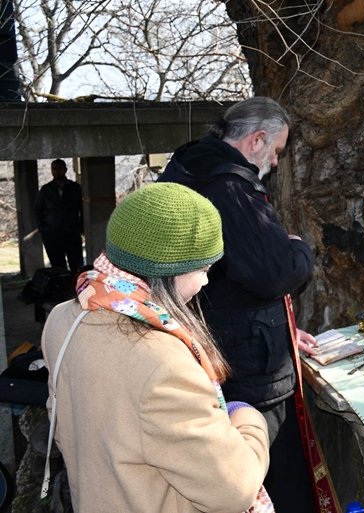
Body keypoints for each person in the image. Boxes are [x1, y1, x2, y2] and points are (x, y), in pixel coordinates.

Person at [41, 183, 270, 512]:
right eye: (204, 270)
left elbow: (64, 429)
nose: (206, 282)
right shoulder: (163, 364)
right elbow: (235, 489)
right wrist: (248, 418)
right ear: (169, 271)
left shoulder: (63, 319)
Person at [158, 96, 318, 512]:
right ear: (256, 139)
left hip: (215, 341)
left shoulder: (189, 168)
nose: (277, 162)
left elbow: (231, 274)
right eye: (277, 150)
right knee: (272, 473)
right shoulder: (228, 186)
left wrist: (285, 329)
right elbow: (273, 272)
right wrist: (300, 249)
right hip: (250, 366)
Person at [35, 158, 84, 272]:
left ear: (65, 170)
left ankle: (76, 283)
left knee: (76, 265)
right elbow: (38, 210)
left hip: (71, 232)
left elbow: (82, 208)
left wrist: (81, 227)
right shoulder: (46, 189)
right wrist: (43, 230)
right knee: (58, 268)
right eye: (54, 169)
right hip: (52, 234)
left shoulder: (75, 188)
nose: (57, 171)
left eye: (59, 168)